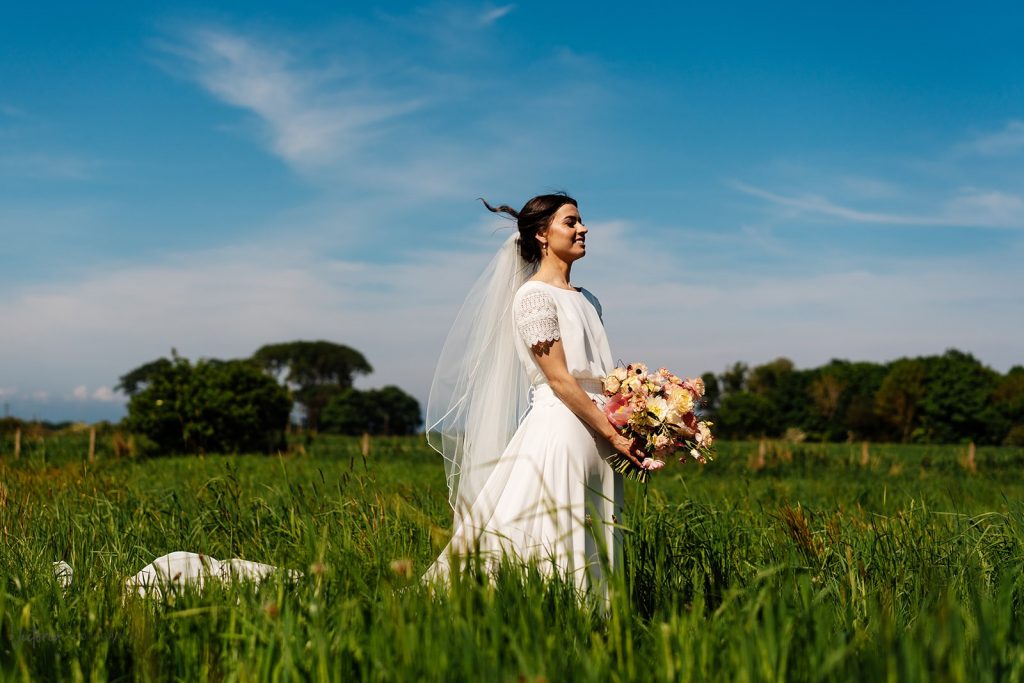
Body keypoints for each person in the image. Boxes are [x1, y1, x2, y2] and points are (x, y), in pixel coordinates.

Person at [424, 193, 645, 595]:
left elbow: (602, 375)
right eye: (572, 222)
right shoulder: (533, 297)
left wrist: (642, 415)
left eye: (580, 221)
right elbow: (560, 380)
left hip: (604, 431)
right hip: (564, 426)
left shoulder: (589, 299)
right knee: (558, 528)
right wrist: (612, 434)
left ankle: (598, 622)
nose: (584, 229)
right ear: (543, 235)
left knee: (598, 526)